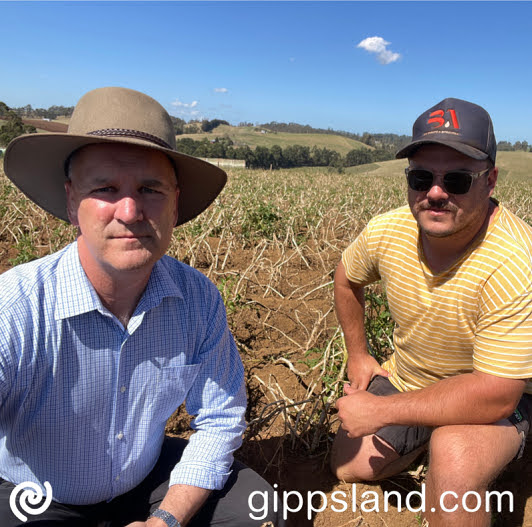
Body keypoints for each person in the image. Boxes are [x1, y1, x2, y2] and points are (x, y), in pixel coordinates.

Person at [0, 87, 280, 527]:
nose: (130, 211)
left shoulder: (197, 299)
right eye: (106, 188)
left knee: (258, 511)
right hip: (32, 494)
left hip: (144, 482)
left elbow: (220, 420)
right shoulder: (15, 308)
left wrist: (167, 519)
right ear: (72, 200)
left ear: (175, 204)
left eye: (150, 189)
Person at [330, 97, 532, 526]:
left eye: (457, 179)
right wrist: (358, 354)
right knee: (349, 467)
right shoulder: (387, 230)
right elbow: (346, 277)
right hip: (412, 379)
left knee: (456, 459)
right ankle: (429, 435)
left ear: (490, 180)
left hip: (501, 397)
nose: (435, 193)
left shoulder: (516, 262)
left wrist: (382, 411)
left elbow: (496, 392)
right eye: (421, 177)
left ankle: (493, 445)